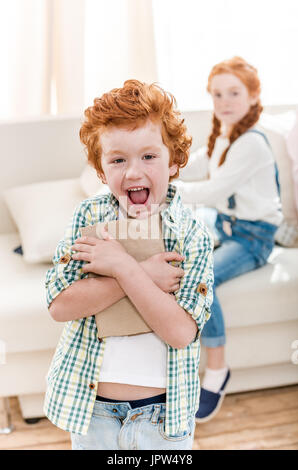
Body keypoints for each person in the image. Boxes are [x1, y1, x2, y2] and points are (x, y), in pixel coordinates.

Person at [44, 79, 214, 450]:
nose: (134, 172)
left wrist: (123, 266)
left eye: (149, 156)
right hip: (95, 416)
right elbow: (59, 306)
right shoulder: (87, 216)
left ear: (174, 162)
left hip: (162, 419)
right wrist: (138, 275)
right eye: (118, 159)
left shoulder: (191, 235)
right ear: (102, 171)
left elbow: (181, 333)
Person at [174, 57, 282, 422]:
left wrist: (165, 187)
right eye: (218, 94)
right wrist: (161, 164)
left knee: (200, 276)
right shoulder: (226, 134)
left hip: (253, 237)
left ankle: (217, 370)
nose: (225, 101)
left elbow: (213, 188)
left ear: (253, 96)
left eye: (234, 93)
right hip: (224, 222)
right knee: (171, 241)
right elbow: (204, 163)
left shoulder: (252, 143)